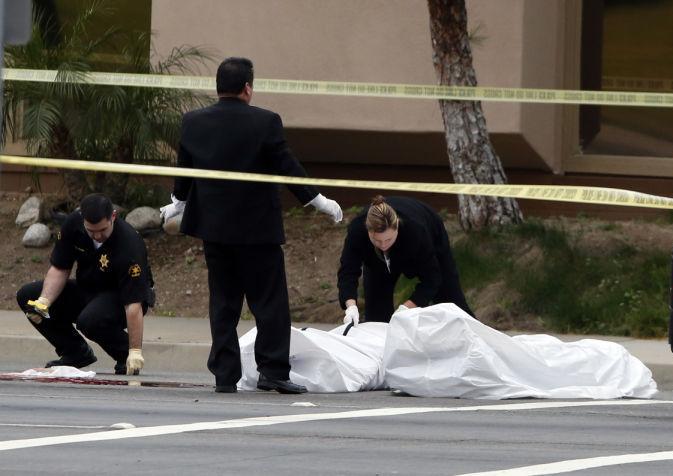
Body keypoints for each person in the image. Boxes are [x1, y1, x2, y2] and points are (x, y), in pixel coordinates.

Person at [160, 57, 343, 394]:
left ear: (218, 88)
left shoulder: (193, 122)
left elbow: (186, 169)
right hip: (257, 230)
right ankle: (272, 370)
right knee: (269, 302)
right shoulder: (265, 122)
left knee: (223, 303)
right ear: (248, 88)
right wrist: (317, 199)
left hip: (215, 230)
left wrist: (178, 203)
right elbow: (287, 166)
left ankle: (225, 375)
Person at [17, 193, 154, 375]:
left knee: (90, 320)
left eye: (103, 230)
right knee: (28, 297)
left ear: (113, 217)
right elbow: (60, 268)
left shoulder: (129, 245)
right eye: (91, 231)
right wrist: (44, 302)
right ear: (83, 220)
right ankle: (75, 352)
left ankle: (123, 355)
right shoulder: (73, 225)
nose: (97, 236)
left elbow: (133, 305)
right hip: (88, 289)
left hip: (121, 298)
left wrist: (135, 351)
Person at [338, 195, 474, 325]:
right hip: (375, 259)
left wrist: (406, 308)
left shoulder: (416, 232)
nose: (384, 245)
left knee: (450, 299)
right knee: (376, 314)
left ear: (397, 226)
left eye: (388, 239)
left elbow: (432, 279)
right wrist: (351, 307)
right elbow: (348, 272)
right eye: (377, 240)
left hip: (429, 229)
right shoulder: (357, 232)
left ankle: (476, 338)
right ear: (367, 231)